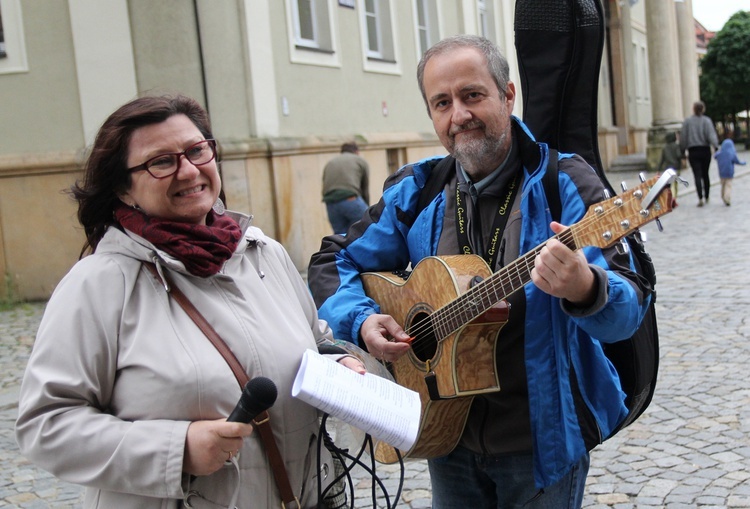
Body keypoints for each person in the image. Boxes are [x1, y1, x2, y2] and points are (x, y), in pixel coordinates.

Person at [308, 35, 650, 508]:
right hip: (444, 432)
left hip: (540, 442)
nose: (458, 116)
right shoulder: (418, 189)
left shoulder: (564, 182)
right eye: (441, 103)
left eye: (472, 95)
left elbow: (629, 311)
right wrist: (363, 319)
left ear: (508, 96)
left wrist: (586, 288)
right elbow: (331, 261)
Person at [15, 94, 364, 509]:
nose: (189, 170)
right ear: (123, 188)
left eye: (197, 151)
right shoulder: (99, 284)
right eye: (161, 161)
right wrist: (176, 449)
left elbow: (313, 339)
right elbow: (46, 425)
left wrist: (336, 361)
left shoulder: (262, 253)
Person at [321, 142, 370, 234]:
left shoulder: (330, 162)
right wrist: (367, 210)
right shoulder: (359, 161)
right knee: (367, 227)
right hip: (350, 199)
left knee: (340, 236)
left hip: (331, 203)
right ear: (357, 152)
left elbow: (325, 184)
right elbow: (365, 187)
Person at [680, 100, 719, 207]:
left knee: (697, 174)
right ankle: (707, 196)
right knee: (705, 174)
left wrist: (682, 150)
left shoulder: (687, 121)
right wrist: (715, 146)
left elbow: (683, 137)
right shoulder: (707, 121)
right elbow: (711, 135)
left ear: (693, 109)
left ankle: (700, 197)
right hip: (705, 150)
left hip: (693, 151)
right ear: (703, 109)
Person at [714, 131, 746, 206]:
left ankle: (722, 196)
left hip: (721, 173)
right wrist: (743, 163)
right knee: (728, 186)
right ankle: (727, 198)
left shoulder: (720, 154)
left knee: (723, 185)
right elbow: (737, 161)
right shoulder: (732, 153)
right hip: (729, 173)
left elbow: (715, 156)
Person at [657, 131, 684, 196]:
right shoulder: (676, 146)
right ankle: (674, 197)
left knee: (669, 183)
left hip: (668, 168)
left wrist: (658, 169)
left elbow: (662, 159)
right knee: (675, 183)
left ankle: (670, 196)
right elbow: (678, 155)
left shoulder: (664, 148)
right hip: (676, 167)